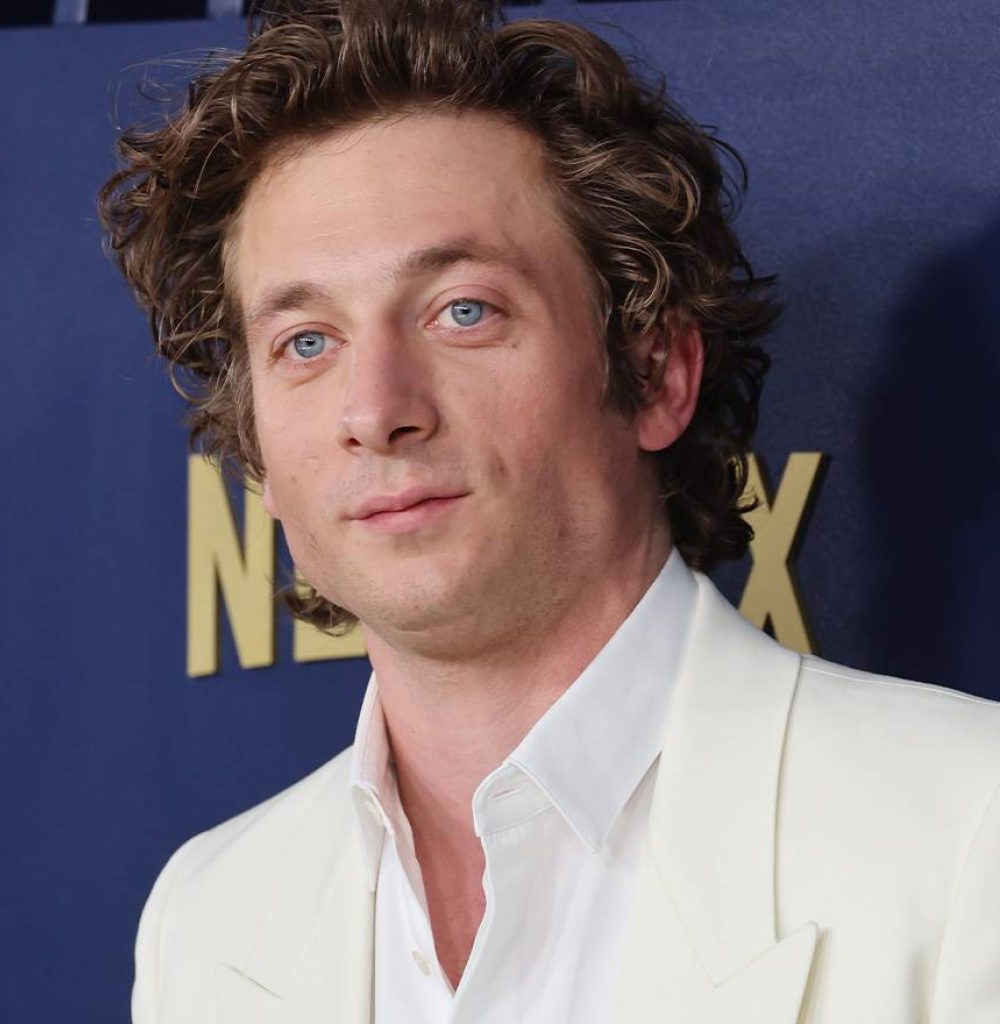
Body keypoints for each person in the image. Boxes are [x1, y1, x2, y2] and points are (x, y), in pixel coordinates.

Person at [99, 1, 1000, 1021]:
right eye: (306, 341)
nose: (376, 409)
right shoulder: (210, 915)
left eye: (463, 311)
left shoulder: (971, 833)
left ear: (655, 372)